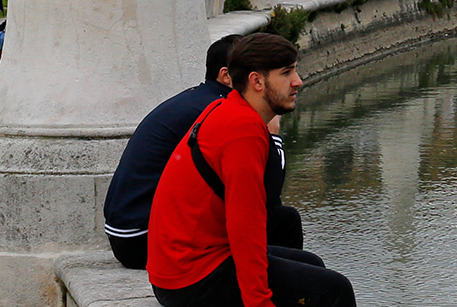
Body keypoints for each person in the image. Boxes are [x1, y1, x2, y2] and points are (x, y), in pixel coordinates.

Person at [148, 34, 438, 307]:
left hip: (183, 263)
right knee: (332, 290)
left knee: (311, 266)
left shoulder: (228, 109)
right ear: (257, 81)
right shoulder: (243, 131)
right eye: (287, 73)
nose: (299, 81)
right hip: (190, 275)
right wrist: (262, 305)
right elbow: (246, 225)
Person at [104, 35, 307, 266]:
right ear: (226, 75)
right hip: (143, 239)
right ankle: (274, 285)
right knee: (284, 222)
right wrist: (273, 135)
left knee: (280, 221)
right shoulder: (219, 111)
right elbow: (268, 196)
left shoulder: (198, 99)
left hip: (128, 233)